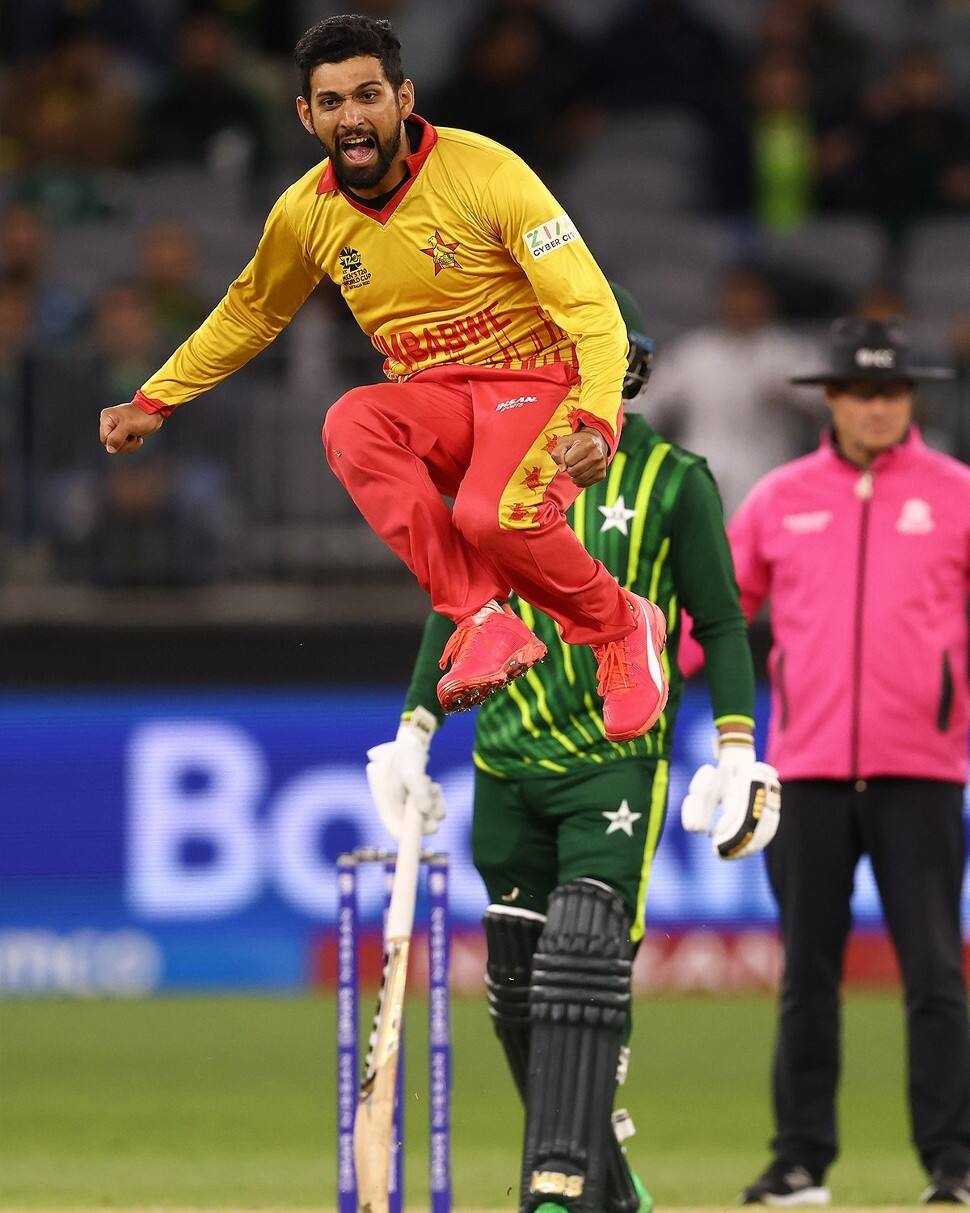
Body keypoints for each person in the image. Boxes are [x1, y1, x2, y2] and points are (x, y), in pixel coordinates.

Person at [98, 13, 668, 745]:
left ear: (404, 97)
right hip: (443, 400)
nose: (352, 117)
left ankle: (621, 625)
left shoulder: (486, 170)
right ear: (306, 116)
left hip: (540, 385)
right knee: (351, 422)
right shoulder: (307, 213)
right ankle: (481, 619)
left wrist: (597, 417)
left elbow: (589, 304)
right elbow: (250, 313)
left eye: (368, 95)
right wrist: (156, 397)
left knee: (486, 516)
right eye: (331, 103)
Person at [366, 285, 782, 1213]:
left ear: (626, 373)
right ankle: (606, 1179)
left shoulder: (675, 478)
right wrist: (414, 724)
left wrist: (738, 744)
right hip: (508, 760)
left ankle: (555, 1190)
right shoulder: (491, 470)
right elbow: (458, 600)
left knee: (583, 960)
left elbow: (719, 618)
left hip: (613, 762)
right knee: (515, 996)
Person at [680, 317, 970, 1205]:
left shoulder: (958, 494)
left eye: (891, 392)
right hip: (803, 771)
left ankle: (953, 1164)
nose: (878, 408)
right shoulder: (779, 498)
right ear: (831, 398)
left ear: (911, 397)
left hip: (920, 768)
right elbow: (715, 612)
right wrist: (647, 679)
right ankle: (800, 1159)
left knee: (934, 973)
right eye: (860, 391)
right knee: (806, 973)